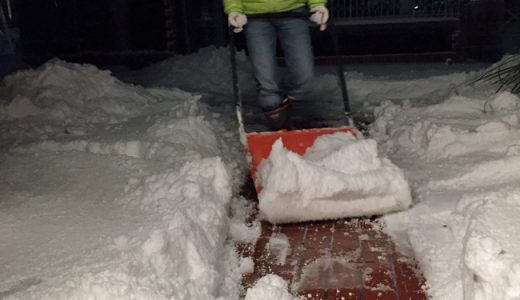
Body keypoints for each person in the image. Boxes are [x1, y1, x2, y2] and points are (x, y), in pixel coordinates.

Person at [223, 0, 329, 129]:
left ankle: (295, 103)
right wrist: (234, 9)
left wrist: (317, 4)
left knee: (304, 75)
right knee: (266, 84)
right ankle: (276, 115)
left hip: (293, 10)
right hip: (254, 14)